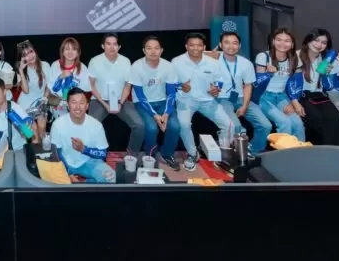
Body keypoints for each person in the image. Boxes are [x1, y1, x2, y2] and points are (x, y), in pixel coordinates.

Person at [173, 32, 233, 171]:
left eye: (199, 45)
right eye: (192, 45)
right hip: (186, 100)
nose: (195, 48)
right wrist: (180, 86)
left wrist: (216, 88)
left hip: (208, 101)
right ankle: (192, 153)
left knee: (229, 125)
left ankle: (222, 153)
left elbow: (219, 80)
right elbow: (170, 82)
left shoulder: (213, 63)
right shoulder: (176, 62)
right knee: (183, 124)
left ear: (204, 47)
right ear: (186, 46)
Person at [128, 36, 181, 170]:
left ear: (161, 50)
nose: (153, 51)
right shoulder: (137, 66)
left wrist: (166, 114)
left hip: (163, 101)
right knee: (151, 128)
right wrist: (156, 116)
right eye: (149, 48)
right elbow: (140, 96)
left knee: (174, 126)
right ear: (144, 50)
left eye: (156, 48)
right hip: (143, 103)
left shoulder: (168, 66)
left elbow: (171, 93)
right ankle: (150, 154)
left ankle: (167, 153)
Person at [285, 29, 339, 146]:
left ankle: (333, 152)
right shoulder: (296, 56)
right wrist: (293, 102)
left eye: (324, 42)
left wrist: (329, 74)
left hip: (319, 95)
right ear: (308, 40)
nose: (319, 45)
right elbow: (288, 82)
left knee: (336, 120)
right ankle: (314, 151)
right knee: (315, 120)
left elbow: (331, 85)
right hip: (300, 95)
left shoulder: (327, 59)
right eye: (316, 40)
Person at [215, 32, 272, 154]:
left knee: (265, 125)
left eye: (235, 43)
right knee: (235, 125)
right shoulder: (213, 61)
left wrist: (245, 106)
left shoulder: (246, 63)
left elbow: (248, 86)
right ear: (220, 44)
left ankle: (253, 151)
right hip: (222, 98)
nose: (231, 46)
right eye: (227, 42)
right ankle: (232, 153)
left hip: (241, 97)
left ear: (239, 45)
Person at [88, 33, 144, 155]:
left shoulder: (126, 61)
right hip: (99, 100)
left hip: (120, 100)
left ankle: (132, 155)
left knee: (139, 125)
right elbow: (91, 86)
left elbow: (127, 86)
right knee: (90, 126)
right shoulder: (95, 61)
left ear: (119, 47)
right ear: (103, 46)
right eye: (108, 44)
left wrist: (120, 103)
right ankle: (97, 154)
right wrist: (105, 104)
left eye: (114, 44)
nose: (111, 47)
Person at [51, 88, 114, 183]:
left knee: (111, 177)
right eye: (74, 102)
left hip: (88, 162)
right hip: (64, 164)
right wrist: (68, 174)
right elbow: (57, 154)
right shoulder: (58, 124)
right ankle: (82, 186)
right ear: (68, 105)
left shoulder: (96, 125)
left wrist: (84, 149)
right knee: (49, 179)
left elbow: (103, 154)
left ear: (87, 106)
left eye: (81, 103)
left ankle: (85, 185)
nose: (78, 107)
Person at [254, 28, 305, 141]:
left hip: (282, 96)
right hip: (264, 97)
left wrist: (293, 102)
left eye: (287, 41)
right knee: (285, 122)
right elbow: (257, 84)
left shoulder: (295, 59)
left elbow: (296, 84)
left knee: (297, 124)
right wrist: (268, 74)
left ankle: (300, 150)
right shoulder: (263, 57)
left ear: (292, 44)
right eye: (279, 40)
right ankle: (283, 151)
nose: (282, 43)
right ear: (273, 41)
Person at [15, 41, 51, 140]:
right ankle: (35, 148)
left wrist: (44, 99)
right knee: (34, 133)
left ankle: (42, 149)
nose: (30, 56)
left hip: (40, 103)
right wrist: (21, 71)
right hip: (25, 105)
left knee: (42, 126)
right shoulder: (22, 70)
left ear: (35, 51)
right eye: (25, 55)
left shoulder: (45, 65)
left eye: (31, 52)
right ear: (22, 58)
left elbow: (48, 86)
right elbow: (26, 91)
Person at [48, 37, 92, 105]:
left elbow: (86, 89)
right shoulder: (55, 65)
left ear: (78, 52)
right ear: (62, 52)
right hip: (58, 103)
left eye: (74, 49)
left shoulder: (82, 67)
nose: (70, 52)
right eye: (67, 49)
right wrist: (60, 77)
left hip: (76, 104)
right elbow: (51, 88)